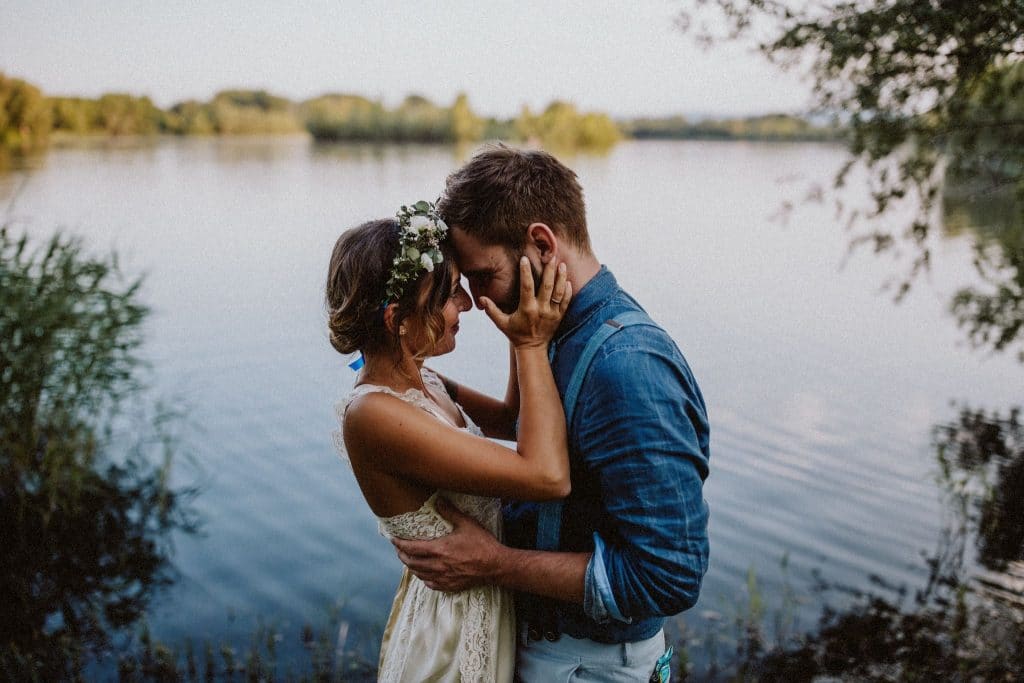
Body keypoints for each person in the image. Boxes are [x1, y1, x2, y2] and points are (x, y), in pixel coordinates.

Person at [391, 144, 711, 682]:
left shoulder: (626, 367)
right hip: (552, 651)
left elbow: (668, 577)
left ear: (541, 244)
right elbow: (521, 424)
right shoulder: (546, 326)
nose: (474, 300)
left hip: (592, 667)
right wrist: (405, 381)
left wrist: (493, 562)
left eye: (481, 276)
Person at [327, 201, 574, 683]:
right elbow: (546, 474)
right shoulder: (374, 414)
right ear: (397, 317)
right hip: (450, 632)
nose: (466, 303)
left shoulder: (423, 378)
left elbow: (512, 417)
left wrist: (515, 320)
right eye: (449, 293)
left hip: (481, 600)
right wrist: (530, 345)